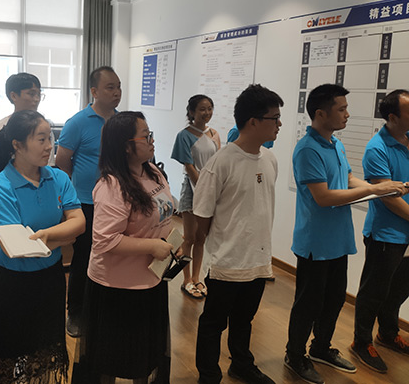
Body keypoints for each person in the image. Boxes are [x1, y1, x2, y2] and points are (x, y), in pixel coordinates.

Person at [285, 84, 407, 384]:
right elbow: (324, 197)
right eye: (341, 109)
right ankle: (295, 355)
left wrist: (379, 188)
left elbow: (349, 178)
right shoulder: (307, 149)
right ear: (320, 113)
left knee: (335, 299)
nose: (347, 114)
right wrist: (378, 189)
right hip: (315, 244)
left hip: (338, 240)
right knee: (309, 304)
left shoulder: (335, 144)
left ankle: (321, 347)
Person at [0, 110, 85, 383]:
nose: (50, 146)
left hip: (51, 280)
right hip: (14, 285)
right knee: (7, 360)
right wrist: (62, 237)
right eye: (41, 139)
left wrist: (44, 236)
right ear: (17, 145)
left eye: (51, 138)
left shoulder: (58, 178)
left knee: (43, 356)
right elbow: (16, 247)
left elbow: (80, 224)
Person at [71, 111, 174, 384]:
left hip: (152, 278)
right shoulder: (112, 185)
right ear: (126, 146)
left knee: (146, 354)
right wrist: (152, 245)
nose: (152, 141)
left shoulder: (153, 172)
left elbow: (164, 211)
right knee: (111, 359)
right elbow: (105, 240)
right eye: (146, 136)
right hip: (118, 287)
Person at [193, 84, 282, 384]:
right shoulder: (221, 162)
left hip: (258, 261)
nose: (279, 124)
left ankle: (241, 364)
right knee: (213, 323)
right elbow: (202, 215)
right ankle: (208, 374)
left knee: (244, 319)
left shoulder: (269, 159)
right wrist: (217, 248)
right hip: (227, 263)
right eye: (274, 118)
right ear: (253, 121)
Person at [55, 65, 122, 337]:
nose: (117, 92)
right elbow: (62, 161)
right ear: (94, 91)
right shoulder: (77, 122)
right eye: (110, 87)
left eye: (119, 87)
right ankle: (76, 311)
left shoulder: (121, 122)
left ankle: (104, 308)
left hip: (117, 202)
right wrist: (75, 191)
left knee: (113, 254)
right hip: (86, 202)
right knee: (84, 256)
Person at [352, 89, 409, 373]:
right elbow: (387, 196)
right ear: (393, 117)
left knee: (400, 287)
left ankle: (387, 333)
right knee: (374, 291)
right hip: (386, 234)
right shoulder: (377, 148)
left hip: (406, 233)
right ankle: (361, 342)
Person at [171, 94, 220, 299]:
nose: (206, 113)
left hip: (210, 190)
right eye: (202, 109)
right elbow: (189, 166)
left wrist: (212, 190)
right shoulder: (184, 135)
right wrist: (203, 188)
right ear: (191, 112)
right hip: (193, 190)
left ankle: (197, 277)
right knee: (189, 237)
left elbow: (218, 163)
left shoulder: (214, 134)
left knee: (201, 238)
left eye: (209, 108)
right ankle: (186, 280)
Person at [0, 72, 54, 174]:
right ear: (14, 96)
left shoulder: (44, 129)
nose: (36, 99)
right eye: (31, 94)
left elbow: (48, 167)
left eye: (39, 94)